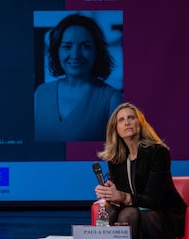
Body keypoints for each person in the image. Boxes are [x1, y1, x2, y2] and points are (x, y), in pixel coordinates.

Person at [94, 102, 187, 239]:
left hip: (164, 215)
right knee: (111, 214)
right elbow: (122, 197)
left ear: (140, 123)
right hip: (137, 213)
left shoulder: (157, 152)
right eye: (121, 119)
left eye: (131, 117)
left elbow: (152, 199)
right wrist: (109, 193)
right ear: (115, 129)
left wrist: (124, 197)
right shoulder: (116, 159)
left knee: (128, 215)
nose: (127, 122)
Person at [34, 13, 123, 142]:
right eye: (67, 46)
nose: (75, 54)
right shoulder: (40, 93)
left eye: (85, 46)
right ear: (57, 50)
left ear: (97, 51)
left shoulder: (112, 100)